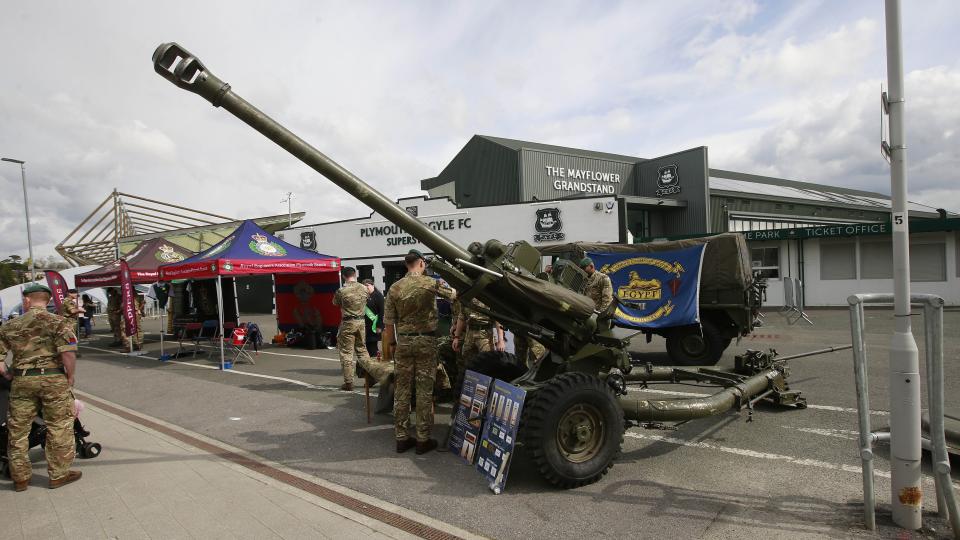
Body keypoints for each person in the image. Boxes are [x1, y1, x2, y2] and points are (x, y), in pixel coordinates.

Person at [0, 283, 82, 491]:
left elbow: (0, 360)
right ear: (48, 300)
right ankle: (58, 475)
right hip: (53, 380)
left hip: (21, 381)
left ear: (26, 300)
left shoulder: (9, 326)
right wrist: (70, 377)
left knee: (17, 430)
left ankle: (20, 479)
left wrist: (8, 373)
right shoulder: (59, 322)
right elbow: (68, 354)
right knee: (59, 426)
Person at [383, 249, 455, 454]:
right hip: (426, 341)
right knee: (424, 392)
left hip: (403, 343)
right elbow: (454, 295)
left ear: (407, 265)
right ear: (422, 263)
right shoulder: (431, 283)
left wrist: (393, 345)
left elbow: (388, 323)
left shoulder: (394, 288)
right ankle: (423, 439)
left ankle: (401, 438)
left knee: (402, 391)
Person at [451, 298, 504, 389]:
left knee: (488, 364)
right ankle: (469, 391)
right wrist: (456, 337)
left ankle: (487, 391)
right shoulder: (467, 298)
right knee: (468, 363)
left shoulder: (487, 297)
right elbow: (462, 317)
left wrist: (501, 340)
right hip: (470, 333)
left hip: (485, 334)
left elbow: (498, 320)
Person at [332, 267, 370, 391]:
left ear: (344, 276)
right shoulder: (364, 288)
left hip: (348, 323)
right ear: (355, 274)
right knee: (362, 350)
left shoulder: (341, 291)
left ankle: (349, 382)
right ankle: (369, 379)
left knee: (347, 353)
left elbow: (335, 304)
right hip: (361, 322)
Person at [362, 279, 384, 358]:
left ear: (372, 285)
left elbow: (382, 312)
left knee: (372, 347)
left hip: (374, 325)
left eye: (368, 285)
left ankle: (376, 362)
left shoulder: (378, 296)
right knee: (368, 346)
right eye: (364, 286)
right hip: (366, 326)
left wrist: (379, 326)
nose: (366, 287)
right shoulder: (364, 296)